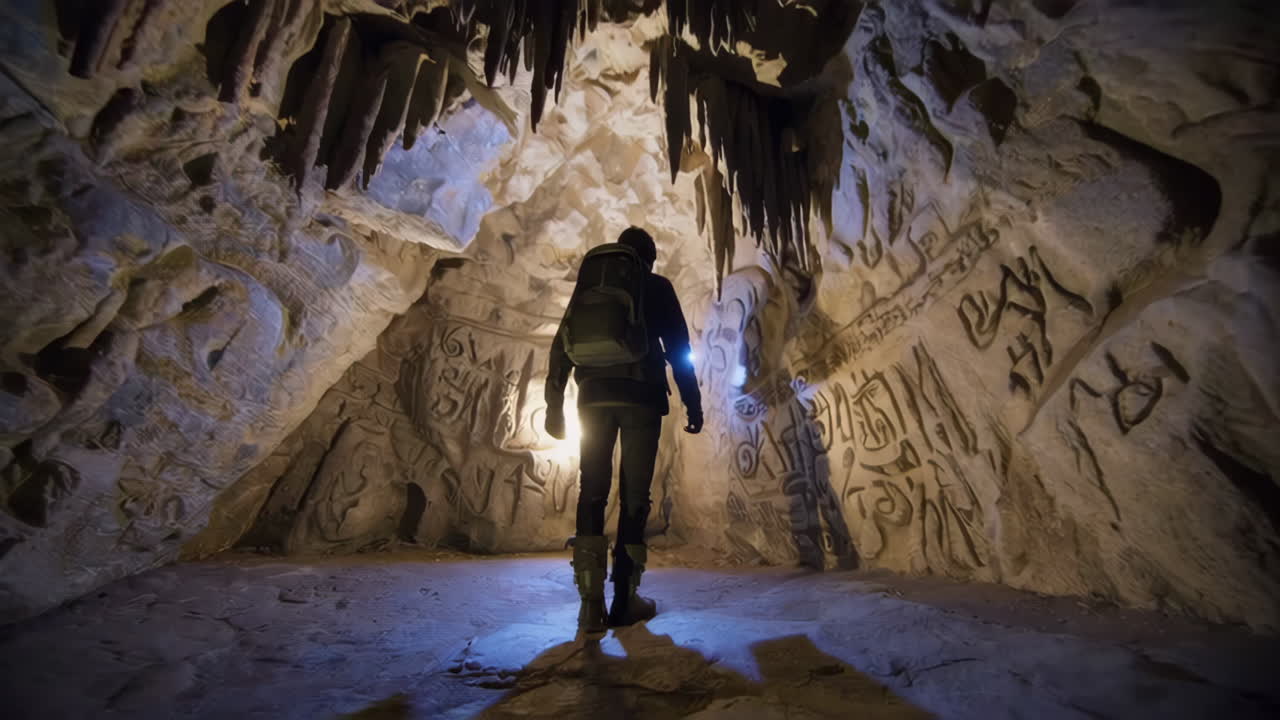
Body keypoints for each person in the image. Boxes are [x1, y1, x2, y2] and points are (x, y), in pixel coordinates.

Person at [545, 226, 703, 634]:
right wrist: (693, 402)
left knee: (591, 492)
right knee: (635, 496)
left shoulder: (590, 287)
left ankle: (589, 604)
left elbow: (560, 345)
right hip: (641, 399)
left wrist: (554, 407)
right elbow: (681, 350)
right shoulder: (658, 287)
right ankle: (625, 599)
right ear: (648, 259)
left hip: (592, 398)